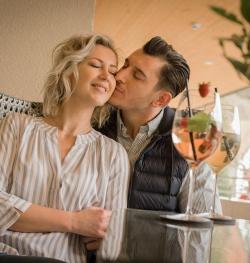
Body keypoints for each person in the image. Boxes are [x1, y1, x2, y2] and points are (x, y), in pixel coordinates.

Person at [0, 34, 129, 263]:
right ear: (69, 70)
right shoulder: (16, 125)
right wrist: (75, 222)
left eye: (112, 71)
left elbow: (109, 243)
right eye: (96, 65)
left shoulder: (113, 154)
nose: (106, 77)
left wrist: (107, 237)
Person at [97, 36, 222, 214]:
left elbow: (203, 226)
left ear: (160, 99)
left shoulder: (189, 142)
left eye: (137, 75)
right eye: (125, 65)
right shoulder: (92, 123)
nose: (119, 76)